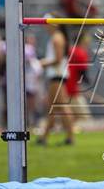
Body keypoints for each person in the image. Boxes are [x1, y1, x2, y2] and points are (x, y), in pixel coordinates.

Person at [37, 13, 74, 145]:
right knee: (54, 108)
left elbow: (57, 60)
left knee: (61, 107)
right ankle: (44, 137)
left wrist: (41, 63)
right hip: (57, 75)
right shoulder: (57, 37)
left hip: (57, 75)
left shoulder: (57, 38)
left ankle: (69, 137)